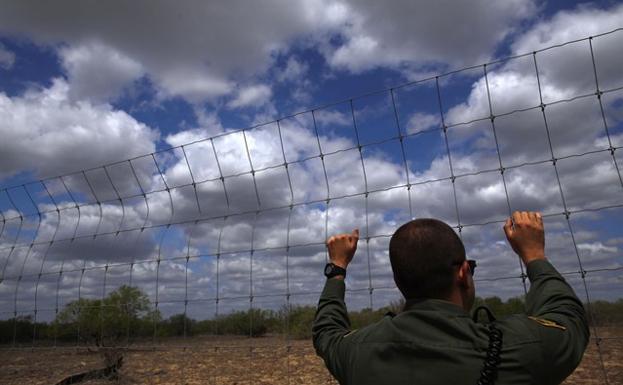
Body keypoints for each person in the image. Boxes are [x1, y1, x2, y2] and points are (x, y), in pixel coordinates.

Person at [313, 211, 589, 385]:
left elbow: (327, 332)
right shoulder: (521, 348)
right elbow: (569, 319)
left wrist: (337, 267)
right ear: (463, 272)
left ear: (398, 282)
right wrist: (534, 256)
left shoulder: (358, 352)